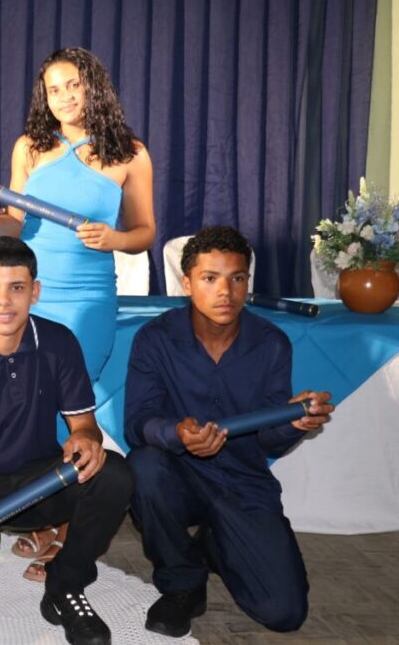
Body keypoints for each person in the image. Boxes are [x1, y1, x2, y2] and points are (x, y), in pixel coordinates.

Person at [0, 47, 154, 575]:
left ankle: (66, 525)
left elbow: (145, 232)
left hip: (89, 298)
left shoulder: (131, 154)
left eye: (73, 84)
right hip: (30, 293)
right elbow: (14, 226)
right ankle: (45, 513)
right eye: (54, 89)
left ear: (94, 86)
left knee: (65, 405)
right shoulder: (30, 147)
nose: (65, 97)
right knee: (27, 404)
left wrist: (116, 238)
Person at [0, 236, 132, 645]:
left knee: (115, 473)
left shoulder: (59, 342)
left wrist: (85, 440)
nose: (4, 301)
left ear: (35, 292)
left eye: (17, 287)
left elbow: (84, 426)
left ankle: (66, 582)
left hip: (40, 484)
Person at [123, 226, 334, 637]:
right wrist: (176, 433)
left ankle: (215, 544)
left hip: (243, 482)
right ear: (187, 283)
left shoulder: (271, 343)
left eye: (237, 278)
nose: (226, 291)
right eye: (210, 278)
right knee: (143, 466)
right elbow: (137, 423)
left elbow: (268, 440)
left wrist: (291, 423)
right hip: (179, 476)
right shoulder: (155, 339)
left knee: (284, 612)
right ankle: (182, 583)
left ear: (248, 281)